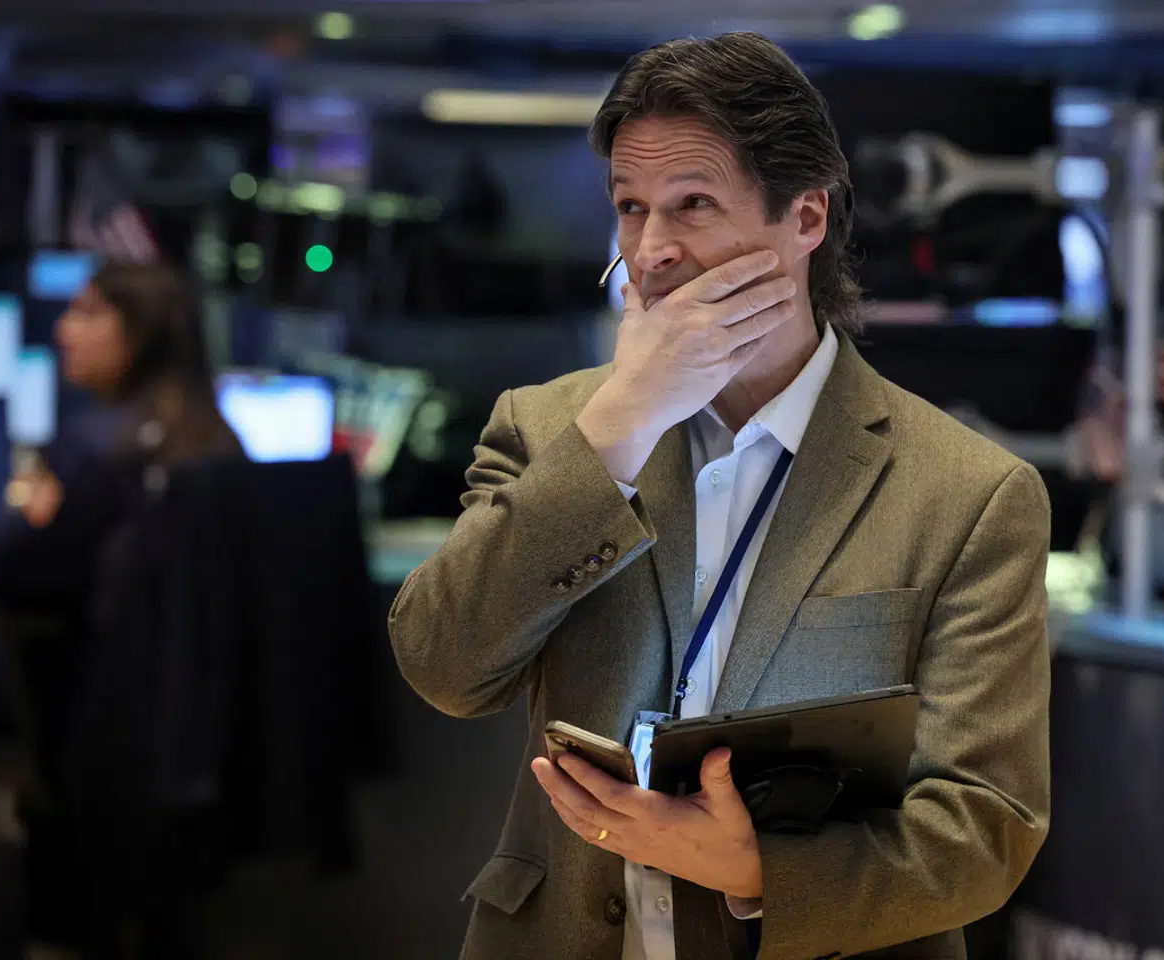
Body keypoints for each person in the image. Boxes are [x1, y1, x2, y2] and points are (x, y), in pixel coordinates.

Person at [389, 32, 1051, 960]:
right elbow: (443, 668)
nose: (654, 250)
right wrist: (617, 428)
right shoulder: (552, 430)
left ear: (806, 219)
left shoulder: (970, 493)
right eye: (631, 207)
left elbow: (989, 828)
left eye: (693, 205)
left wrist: (754, 871)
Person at [0, 261, 241, 960]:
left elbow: (14, 576)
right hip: (202, 753)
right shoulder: (218, 444)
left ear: (143, 331)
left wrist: (28, 515)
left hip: (92, 741)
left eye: (88, 311)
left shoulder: (96, 452)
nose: (65, 328)